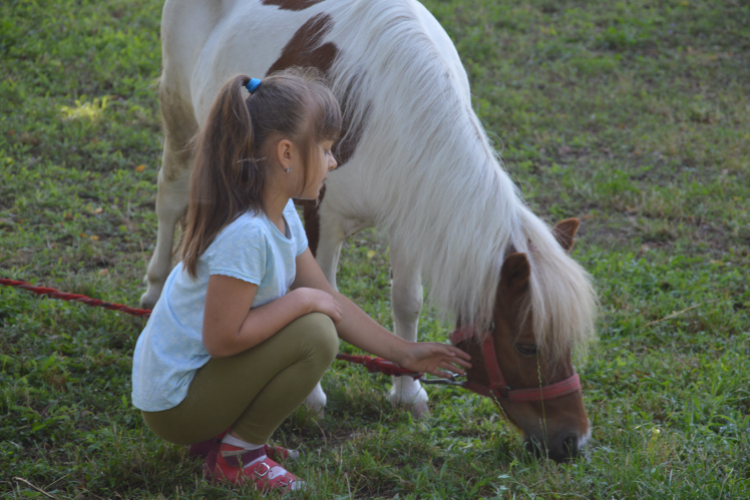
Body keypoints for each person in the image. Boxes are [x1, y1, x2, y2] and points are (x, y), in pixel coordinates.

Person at [131, 68, 471, 492]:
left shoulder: (281, 212)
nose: (332, 162)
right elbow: (223, 339)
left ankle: (224, 440)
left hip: (196, 387)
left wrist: (405, 353)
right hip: (177, 406)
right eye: (326, 149)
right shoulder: (248, 234)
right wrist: (300, 302)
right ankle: (238, 456)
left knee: (316, 315)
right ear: (287, 154)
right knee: (315, 333)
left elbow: (327, 295)